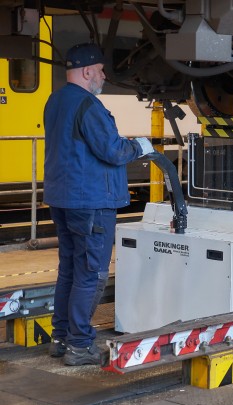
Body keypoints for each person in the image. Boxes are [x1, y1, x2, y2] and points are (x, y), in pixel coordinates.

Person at [44, 43, 154, 366]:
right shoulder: (89, 107)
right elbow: (112, 150)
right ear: (87, 71)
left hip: (62, 200)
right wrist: (139, 147)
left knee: (69, 270)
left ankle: (61, 337)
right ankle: (80, 344)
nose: (104, 75)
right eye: (101, 70)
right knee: (90, 274)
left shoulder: (55, 101)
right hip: (91, 202)